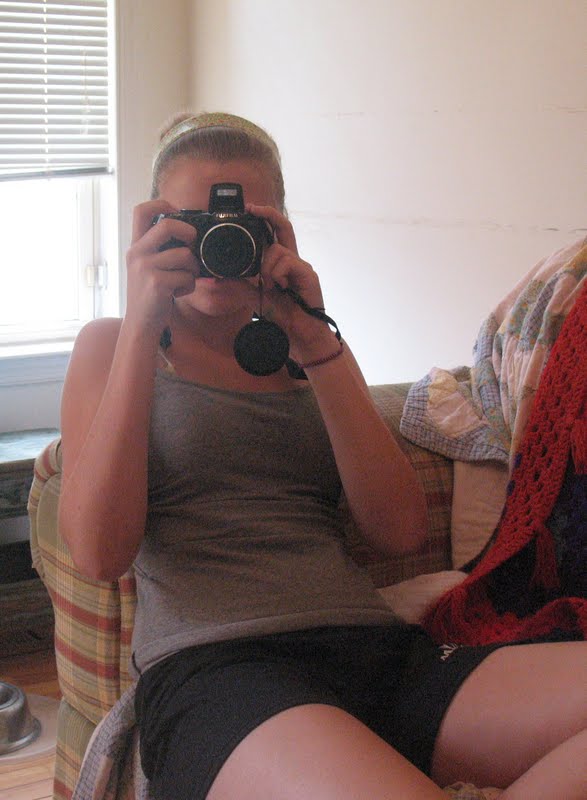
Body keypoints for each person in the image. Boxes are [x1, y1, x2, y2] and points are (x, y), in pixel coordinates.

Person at [58, 111, 586, 800]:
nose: (218, 244)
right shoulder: (112, 343)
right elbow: (99, 553)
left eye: (242, 225)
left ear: (277, 230)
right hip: (221, 669)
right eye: (193, 224)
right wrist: (141, 322)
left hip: (376, 649)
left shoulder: (307, 347)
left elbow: (397, 531)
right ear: (154, 226)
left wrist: (312, 339)